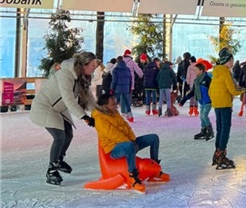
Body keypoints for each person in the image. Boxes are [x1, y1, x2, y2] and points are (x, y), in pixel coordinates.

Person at [29, 52, 97, 185]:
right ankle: (51, 170)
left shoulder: (81, 77)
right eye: (92, 65)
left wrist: (98, 112)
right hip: (45, 107)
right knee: (59, 136)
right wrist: (85, 117)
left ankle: (59, 160)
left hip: (58, 108)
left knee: (68, 134)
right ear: (84, 64)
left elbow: (88, 98)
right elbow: (69, 99)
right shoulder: (66, 74)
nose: (95, 67)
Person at [92, 94, 170, 193]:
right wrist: (130, 143)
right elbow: (113, 135)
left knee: (154, 138)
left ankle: (154, 171)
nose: (116, 106)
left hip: (127, 142)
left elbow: (126, 126)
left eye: (115, 103)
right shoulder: (99, 118)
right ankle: (133, 176)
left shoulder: (114, 113)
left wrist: (132, 139)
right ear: (104, 106)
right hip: (113, 149)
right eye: (113, 104)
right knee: (129, 146)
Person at [209, 48, 245, 170]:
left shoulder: (215, 72)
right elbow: (233, 90)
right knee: (225, 129)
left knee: (220, 128)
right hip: (225, 104)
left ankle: (217, 152)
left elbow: (210, 90)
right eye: (231, 59)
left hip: (217, 104)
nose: (232, 62)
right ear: (227, 60)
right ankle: (221, 155)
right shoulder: (225, 72)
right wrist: (244, 90)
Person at [179, 62, 214, 140]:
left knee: (204, 116)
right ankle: (203, 131)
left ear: (201, 70)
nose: (194, 72)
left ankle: (210, 131)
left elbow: (213, 89)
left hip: (208, 101)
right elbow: (193, 92)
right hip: (201, 101)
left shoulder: (207, 79)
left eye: (196, 70)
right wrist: (183, 100)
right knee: (202, 117)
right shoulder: (196, 80)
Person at [110, 56, 133, 123]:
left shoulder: (115, 70)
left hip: (118, 89)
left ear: (117, 61)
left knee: (115, 103)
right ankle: (130, 116)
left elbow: (114, 81)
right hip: (126, 88)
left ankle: (113, 116)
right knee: (127, 102)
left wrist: (112, 89)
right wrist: (130, 88)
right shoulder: (127, 69)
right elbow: (130, 79)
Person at [120, 49, 143, 115]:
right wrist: (141, 75)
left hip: (121, 83)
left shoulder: (120, 62)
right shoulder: (132, 62)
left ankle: (122, 111)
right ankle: (127, 110)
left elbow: (113, 70)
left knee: (122, 96)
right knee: (128, 96)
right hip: (129, 82)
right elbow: (138, 70)